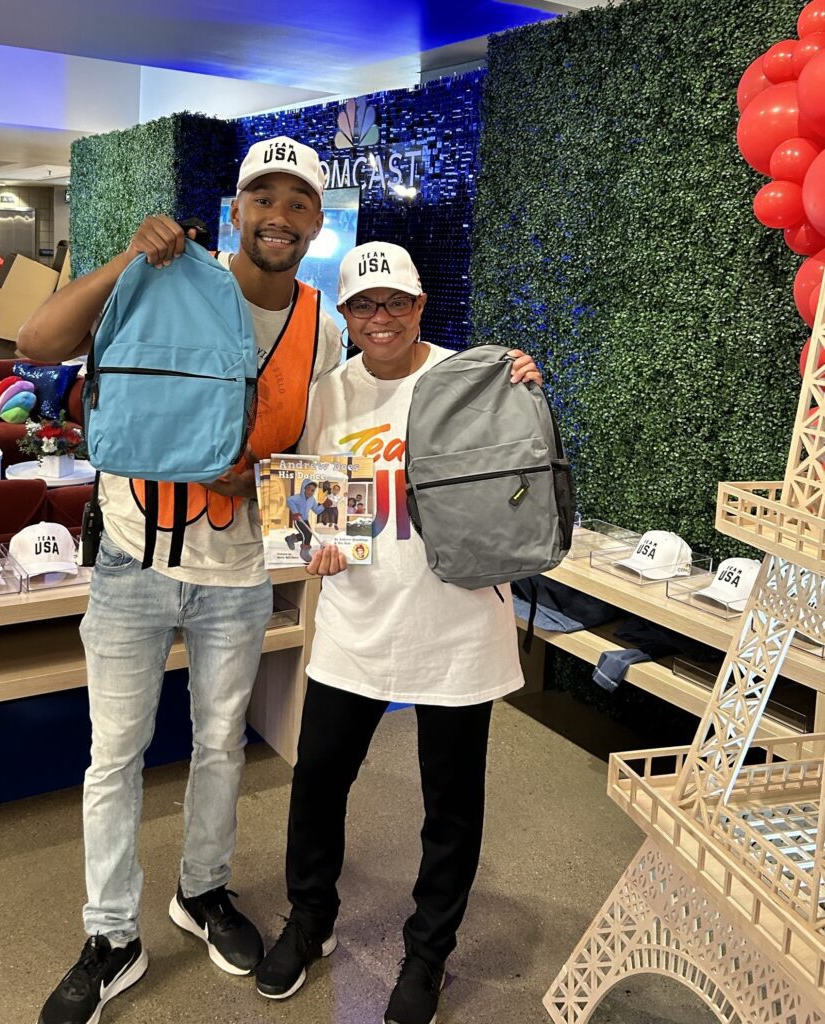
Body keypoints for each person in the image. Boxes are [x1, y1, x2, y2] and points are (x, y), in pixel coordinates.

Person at [17, 136, 341, 1024]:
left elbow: (329, 456)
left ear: (317, 222)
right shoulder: (160, 275)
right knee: (114, 755)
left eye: (298, 202)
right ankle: (110, 935)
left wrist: (269, 486)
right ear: (234, 211)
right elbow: (36, 341)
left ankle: (202, 893)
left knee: (218, 746)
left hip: (237, 572)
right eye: (261, 198)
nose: (278, 215)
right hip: (131, 559)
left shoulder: (324, 323)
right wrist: (128, 252)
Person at [253, 241, 542, 1024]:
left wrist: (526, 389)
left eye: (395, 303)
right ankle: (309, 920)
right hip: (354, 625)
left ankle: (427, 954)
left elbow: (525, 473)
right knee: (317, 782)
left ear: (420, 306)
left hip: (457, 626)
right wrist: (307, 542)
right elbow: (297, 498)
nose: (380, 318)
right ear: (344, 316)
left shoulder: (472, 377)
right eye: (362, 306)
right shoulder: (326, 394)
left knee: (450, 804)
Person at [284, 478, 322, 563]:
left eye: (312, 490)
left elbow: (316, 510)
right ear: (304, 488)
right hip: (298, 519)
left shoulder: (312, 500)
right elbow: (289, 500)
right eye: (308, 489)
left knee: (306, 534)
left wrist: (324, 506)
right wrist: (295, 512)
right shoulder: (297, 498)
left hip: (305, 519)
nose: (310, 492)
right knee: (307, 534)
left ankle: (291, 539)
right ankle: (304, 552)